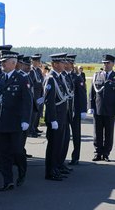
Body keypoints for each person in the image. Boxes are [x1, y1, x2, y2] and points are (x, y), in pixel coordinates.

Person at [0, 50, 32, 191]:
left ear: (13, 63)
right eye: (1, 61)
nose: (2, 64)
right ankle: (7, 181)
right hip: (2, 122)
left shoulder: (22, 78)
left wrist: (25, 119)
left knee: (17, 151)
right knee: (4, 154)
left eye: (5, 61)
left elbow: (27, 101)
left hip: (16, 123)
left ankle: (22, 170)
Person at [88, 54, 115, 162]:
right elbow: (91, 93)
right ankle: (98, 153)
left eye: (108, 63)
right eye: (104, 63)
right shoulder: (96, 75)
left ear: (113, 64)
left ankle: (106, 153)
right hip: (98, 109)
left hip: (111, 110)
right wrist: (91, 106)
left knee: (108, 133)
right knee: (97, 133)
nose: (106, 65)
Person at [43, 53, 69, 181]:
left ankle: (56, 168)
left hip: (61, 116)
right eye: (61, 62)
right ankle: (50, 172)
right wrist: (53, 119)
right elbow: (49, 101)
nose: (65, 64)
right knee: (53, 145)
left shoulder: (59, 77)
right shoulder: (51, 78)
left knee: (58, 144)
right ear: (54, 64)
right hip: (55, 118)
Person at [66, 55, 87, 166]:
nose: (65, 65)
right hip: (65, 111)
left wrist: (83, 110)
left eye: (67, 63)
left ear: (71, 64)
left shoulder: (77, 78)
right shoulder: (63, 77)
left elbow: (82, 95)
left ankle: (75, 157)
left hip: (75, 110)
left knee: (76, 135)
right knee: (64, 135)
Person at [29, 54, 45, 137]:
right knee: (33, 113)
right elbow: (32, 83)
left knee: (38, 113)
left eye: (39, 61)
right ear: (33, 62)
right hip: (34, 94)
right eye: (37, 61)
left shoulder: (38, 70)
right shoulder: (31, 71)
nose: (39, 63)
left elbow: (41, 80)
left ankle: (35, 127)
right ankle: (30, 130)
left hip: (39, 94)